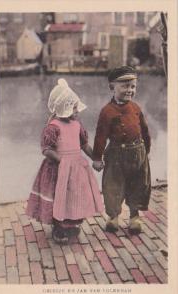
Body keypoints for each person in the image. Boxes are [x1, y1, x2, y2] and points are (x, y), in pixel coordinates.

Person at [26, 78, 104, 244]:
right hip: (58, 168)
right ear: (63, 108)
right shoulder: (53, 127)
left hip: (75, 169)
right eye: (73, 107)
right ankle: (59, 227)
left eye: (77, 107)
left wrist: (96, 159)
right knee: (59, 196)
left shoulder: (77, 125)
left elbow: (84, 145)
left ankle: (72, 222)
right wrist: (61, 161)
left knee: (74, 195)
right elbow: (46, 149)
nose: (77, 111)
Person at [92, 66, 151, 234]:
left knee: (138, 185)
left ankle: (134, 217)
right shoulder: (107, 111)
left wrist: (146, 151)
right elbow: (100, 135)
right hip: (116, 156)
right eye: (124, 86)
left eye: (132, 86)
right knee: (112, 186)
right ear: (112, 86)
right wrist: (97, 157)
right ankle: (113, 217)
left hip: (137, 153)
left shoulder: (136, 108)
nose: (129, 90)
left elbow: (144, 130)